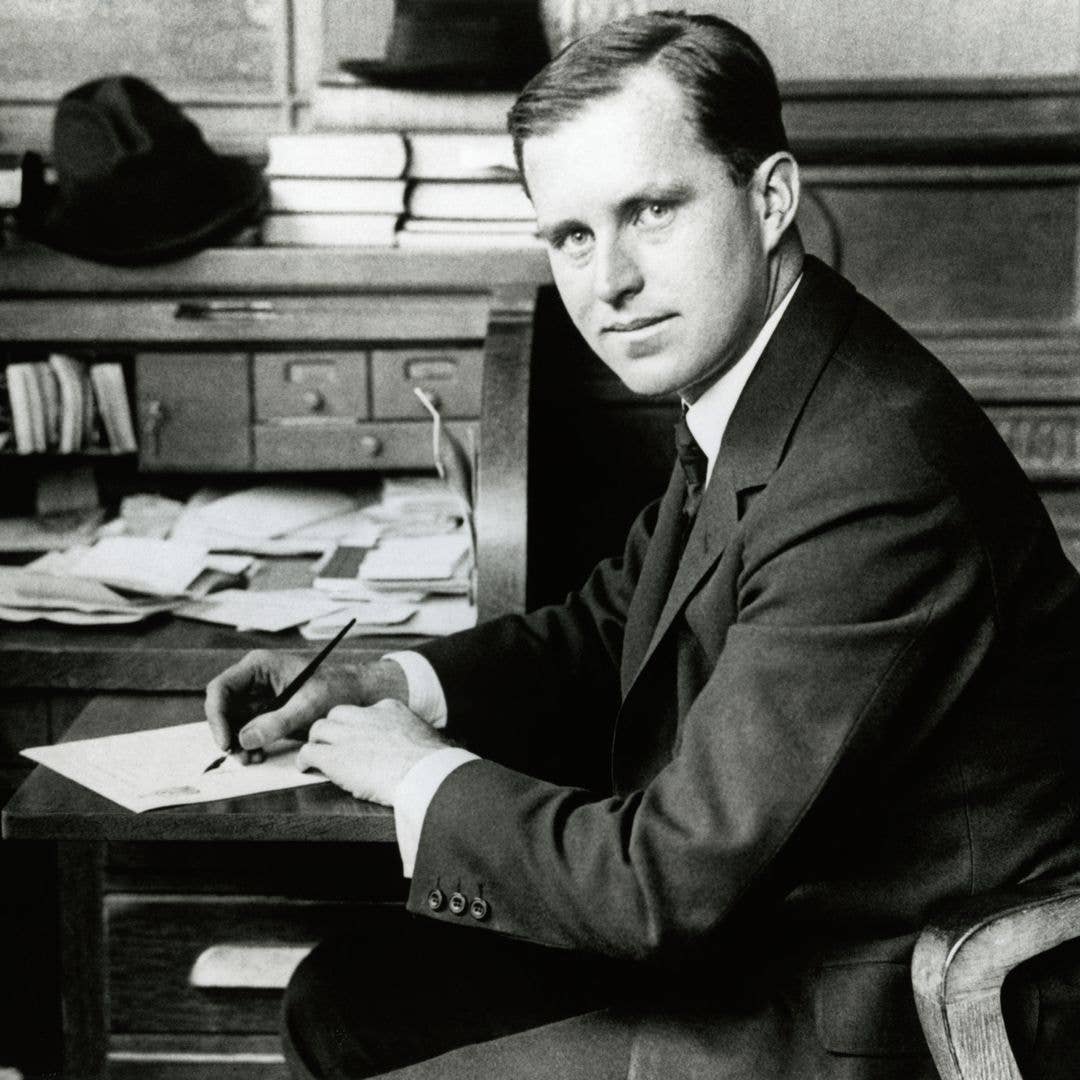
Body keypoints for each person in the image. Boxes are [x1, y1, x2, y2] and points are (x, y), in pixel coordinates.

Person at [205, 13, 1080, 1079]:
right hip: (775, 937)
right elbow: (612, 624)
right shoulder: (764, 379)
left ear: (769, 200)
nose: (607, 282)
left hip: (879, 1009)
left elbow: (666, 887)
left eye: (650, 212)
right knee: (348, 998)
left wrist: (419, 775)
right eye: (571, 235)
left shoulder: (872, 472)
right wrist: (388, 681)